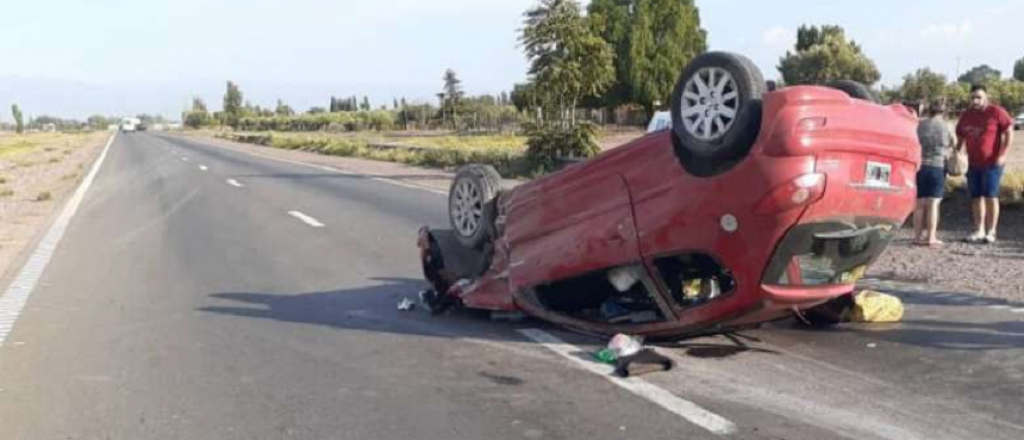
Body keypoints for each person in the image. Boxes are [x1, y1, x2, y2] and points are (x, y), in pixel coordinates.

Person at [955, 84, 1015, 244]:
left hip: (992, 163)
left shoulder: (996, 112)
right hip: (972, 164)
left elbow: (1009, 132)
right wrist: (957, 155)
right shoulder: (966, 116)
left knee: (990, 196)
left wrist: (1003, 154)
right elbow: (960, 137)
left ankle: (991, 231)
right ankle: (979, 229)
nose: (975, 100)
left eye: (979, 97)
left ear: (986, 97)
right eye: (973, 97)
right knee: (976, 197)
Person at [913, 100, 955, 247]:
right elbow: (954, 144)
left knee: (919, 204)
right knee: (933, 203)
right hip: (938, 166)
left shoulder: (919, 124)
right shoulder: (947, 126)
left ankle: (917, 237)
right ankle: (931, 237)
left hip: (920, 166)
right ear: (944, 111)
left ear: (929, 110)